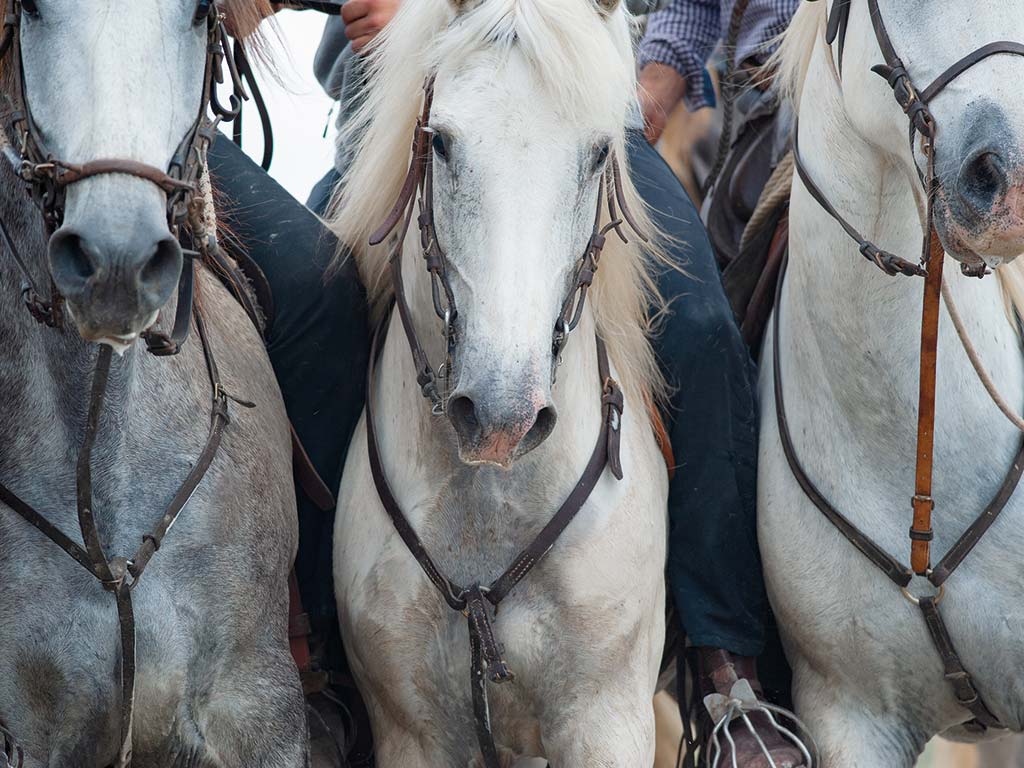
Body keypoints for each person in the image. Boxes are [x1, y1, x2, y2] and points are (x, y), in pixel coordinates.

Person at [213, 1, 804, 765]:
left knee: (698, 325)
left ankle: (729, 670)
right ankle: (317, 661)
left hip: (572, 102)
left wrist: (647, 77)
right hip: (407, 108)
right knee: (315, 309)